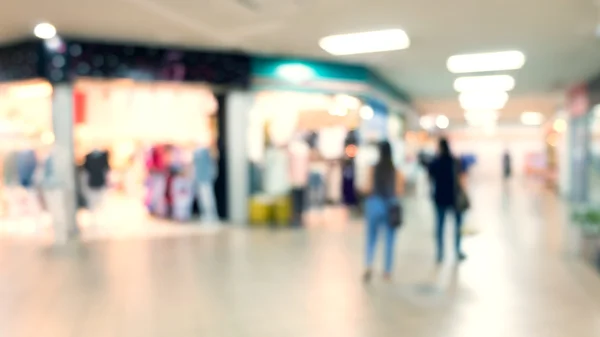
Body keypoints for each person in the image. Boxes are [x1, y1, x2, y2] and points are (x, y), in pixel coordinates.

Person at [362, 141, 405, 282]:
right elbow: (399, 190)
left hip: (374, 204)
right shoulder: (396, 170)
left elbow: (367, 188)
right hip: (390, 205)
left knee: (371, 238)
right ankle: (387, 271)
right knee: (389, 240)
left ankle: (368, 265)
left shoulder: (373, 169)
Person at [428, 138, 467, 263]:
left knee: (440, 227)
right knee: (457, 226)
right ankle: (457, 250)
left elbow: (430, 177)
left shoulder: (435, 162)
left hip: (440, 199)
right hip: (454, 198)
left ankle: (440, 253)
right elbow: (461, 178)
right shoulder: (455, 161)